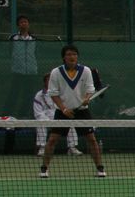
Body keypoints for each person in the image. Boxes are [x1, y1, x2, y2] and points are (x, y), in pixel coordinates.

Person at [40, 45, 106, 178]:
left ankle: (100, 168)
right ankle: (44, 169)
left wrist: (87, 98)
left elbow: (90, 89)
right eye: (69, 54)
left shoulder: (86, 71)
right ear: (64, 57)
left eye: (74, 54)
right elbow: (53, 93)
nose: (72, 57)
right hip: (62, 111)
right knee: (52, 139)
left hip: (82, 111)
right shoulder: (56, 72)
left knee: (92, 140)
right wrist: (64, 109)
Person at [33, 72, 81, 157]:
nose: (51, 82)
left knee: (71, 123)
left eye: (52, 80)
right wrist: (47, 120)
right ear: (45, 82)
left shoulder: (62, 93)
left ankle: (72, 148)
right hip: (46, 118)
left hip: (60, 116)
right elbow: (38, 113)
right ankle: (42, 148)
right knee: (41, 122)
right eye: (48, 80)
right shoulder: (39, 95)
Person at [5, 14, 40, 115]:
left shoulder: (34, 38)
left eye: (25, 22)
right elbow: (10, 51)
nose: (23, 24)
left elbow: (36, 52)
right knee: (13, 94)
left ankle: (24, 114)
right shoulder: (13, 38)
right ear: (18, 25)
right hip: (17, 71)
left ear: (28, 24)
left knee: (28, 95)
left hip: (31, 71)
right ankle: (7, 114)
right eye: (21, 22)